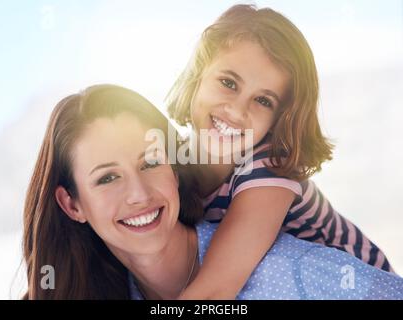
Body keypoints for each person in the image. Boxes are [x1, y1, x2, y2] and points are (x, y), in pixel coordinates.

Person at [23, 85, 403, 299]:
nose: (138, 193)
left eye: (151, 161)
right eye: (107, 178)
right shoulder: (99, 291)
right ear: (72, 205)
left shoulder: (288, 274)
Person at [166, 4, 394, 299]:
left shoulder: (270, 166)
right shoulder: (170, 159)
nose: (236, 111)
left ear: (279, 120)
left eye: (263, 101)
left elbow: (216, 291)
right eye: (228, 83)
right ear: (198, 74)